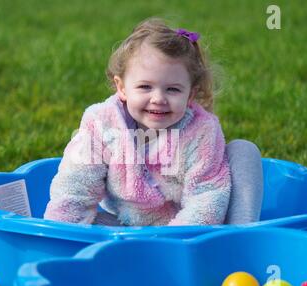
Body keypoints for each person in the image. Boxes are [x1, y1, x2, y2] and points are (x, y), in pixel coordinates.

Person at [44, 18, 263, 226]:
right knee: (85, 223)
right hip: (124, 228)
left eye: (173, 89)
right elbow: (75, 185)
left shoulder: (202, 131)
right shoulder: (102, 123)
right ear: (122, 88)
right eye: (145, 87)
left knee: (244, 151)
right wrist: (58, 235)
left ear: (190, 95)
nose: (158, 98)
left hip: (189, 233)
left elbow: (206, 198)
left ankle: (240, 237)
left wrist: (172, 245)